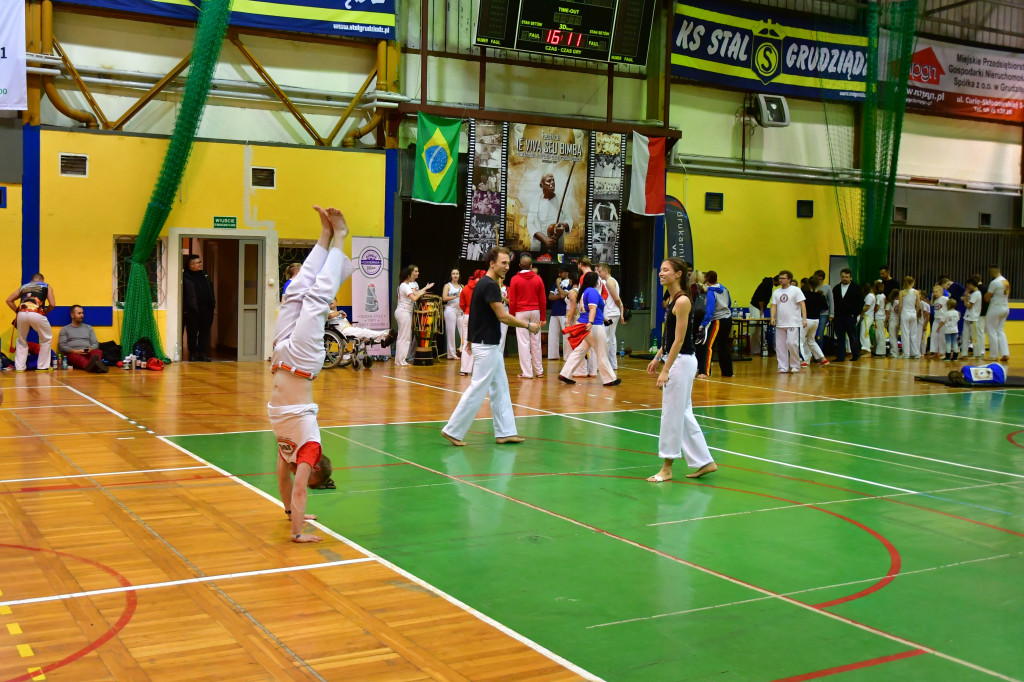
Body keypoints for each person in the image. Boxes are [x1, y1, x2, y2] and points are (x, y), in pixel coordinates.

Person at [268, 205, 352, 543]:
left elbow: (283, 480)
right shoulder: (309, 447)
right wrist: (298, 532)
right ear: (314, 466)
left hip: (280, 358)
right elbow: (299, 487)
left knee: (293, 295)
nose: (296, 473)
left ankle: (324, 235)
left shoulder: (288, 450)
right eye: (306, 474)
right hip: (302, 363)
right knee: (317, 299)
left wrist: (291, 512)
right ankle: (340, 237)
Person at [441, 247, 542, 447]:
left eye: (508, 263)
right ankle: (452, 430)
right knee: (478, 386)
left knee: (501, 388)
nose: (507, 267)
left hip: (489, 344)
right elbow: (502, 316)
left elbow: (476, 314)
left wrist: (470, 339)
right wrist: (528, 325)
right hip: (486, 346)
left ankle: (505, 432)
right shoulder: (490, 286)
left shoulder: (484, 284)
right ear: (492, 263)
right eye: (503, 263)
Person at [646, 257, 716, 483]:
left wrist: (665, 369)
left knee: (671, 416)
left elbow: (679, 339)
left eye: (665, 270)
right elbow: (669, 337)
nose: (661, 273)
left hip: (681, 362)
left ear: (678, 274)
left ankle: (667, 468)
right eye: (661, 269)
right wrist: (658, 356)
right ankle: (704, 461)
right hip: (676, 360)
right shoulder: (673, 299)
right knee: (683, 414)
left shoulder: (683, 301)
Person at [558, 271, 620, 386]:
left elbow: (591, 310)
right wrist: (591, 322)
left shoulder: (583, 292)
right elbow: (592, 309)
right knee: (602, 352)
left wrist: (605, 319)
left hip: (585, 325)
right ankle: (609, 379)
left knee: (579, 351)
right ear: (596, 282)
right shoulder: (592, 292)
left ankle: (565, 374)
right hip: (593, 326)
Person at [6, 273, 56, 371]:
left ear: (31, 280)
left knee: (21, 340)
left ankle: (19, 368)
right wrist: (45, 312)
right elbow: (52, 304)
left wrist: (18, 311)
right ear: (42, 280)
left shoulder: (24, 286)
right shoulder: (46, 286)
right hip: (37, 312)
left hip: (21, 314)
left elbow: (9, 300)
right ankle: (42, 366)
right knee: (46, 338)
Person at [507, 253, 546, 378]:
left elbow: (512, 301)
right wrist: (543, 317)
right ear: (531, 266)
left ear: (519, 265)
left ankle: (527, 373)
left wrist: (511, 316)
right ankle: (539, 371)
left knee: (523, 343)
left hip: (521, 312)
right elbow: (543, 300)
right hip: (535, 311)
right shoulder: (538, 279)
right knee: (536, 342)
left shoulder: (515, 279)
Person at [394, 265, 433, 367]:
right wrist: (421, 292)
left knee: (402, 337)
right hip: (404, 312)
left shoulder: (403, 285)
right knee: (404, 338)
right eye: (414, 273)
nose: (416, 274)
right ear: (409, 275)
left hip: (402, 312)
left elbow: (415, 294)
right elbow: (414, 298)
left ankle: (399, 360)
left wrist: (424, 289)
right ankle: (401, 361)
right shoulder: (405, 286)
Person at [697, 270, 733, 378]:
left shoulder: (710, 292)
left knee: (708, 345)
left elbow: (710, 310)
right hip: (728, 319)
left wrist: (703, 324)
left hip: (717, 320)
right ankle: (728, 372)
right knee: (723, 345)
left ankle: (705, 372)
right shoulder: (725, 289)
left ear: (707, 280)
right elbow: (729, 303)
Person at [770, 270, 806, 373]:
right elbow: (773, 305)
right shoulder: (776, 292)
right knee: (780, 345)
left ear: (789, 279)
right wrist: (772, 317)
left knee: (792, 343)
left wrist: (804, 319)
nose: (780, 280)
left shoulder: (796, 290)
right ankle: (783, 367)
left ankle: (795, 365)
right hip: (780, 322)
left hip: (793, 322)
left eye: (783, 278)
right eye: (780, 278)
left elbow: (802, 304)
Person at [528, 173, 573, 253]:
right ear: (541, 185)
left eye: (553, 180)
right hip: (539, 246)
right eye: (549, 181)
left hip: (556, 245)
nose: (552, 182)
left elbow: (569, 219)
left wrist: (563, 226)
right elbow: (530, 223)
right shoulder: (535, 201)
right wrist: (545, 239)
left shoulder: (560, 199)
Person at [183, 254, 216, 362]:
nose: (200, 264)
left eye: (200, 262)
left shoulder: (204, 275)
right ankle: (192, 353)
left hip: (207, 310)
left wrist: (212, 304)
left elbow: (210, 289)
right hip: (192, 310)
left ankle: (202, 353)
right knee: (192, 333)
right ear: (191, 265)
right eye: (198, 263)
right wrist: (187, 308)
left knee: (204, 332)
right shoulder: (186, 277)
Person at [57, 305, 108, 373]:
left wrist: (90, 349)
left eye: (82, 313)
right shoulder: (65, 329)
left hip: (88, 353)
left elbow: (95, 343)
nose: (82, 315)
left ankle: (92, 366)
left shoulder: (89, 328)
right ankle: (96, 366)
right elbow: (62, 346)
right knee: (75, 358)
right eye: (79, 313)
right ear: (72, 315)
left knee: (98, 352)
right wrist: (74, 351)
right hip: (73, 354)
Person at [596, 263, 627, 370]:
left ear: (606, 271)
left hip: (610, 313)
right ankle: (613, 364)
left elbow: (616, 298)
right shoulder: (612, 281)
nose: (599, 274)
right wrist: (621, 310)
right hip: (613, 313)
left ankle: (603, 364)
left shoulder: (609, 282)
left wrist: (621, 307)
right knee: (612, 339)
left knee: (606, 338)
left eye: (600, 271)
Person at [458, 270, 485, 376]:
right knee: (479, 343)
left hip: (467, 315)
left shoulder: (465, 288)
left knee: (466, 342)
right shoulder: (483, 287)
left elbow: (462, 304)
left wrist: (467, 310)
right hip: (479, 315)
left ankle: (464, 369)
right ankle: (478, 369)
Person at [799, 276, 829, 367]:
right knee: (811, 341)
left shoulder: (805, 294)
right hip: (816, 321)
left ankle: (803, 360)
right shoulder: (820, 295)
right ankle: (823, 359)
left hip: (805, 320)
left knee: (799, 341)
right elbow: (825, 307)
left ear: (808, 284)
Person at [831, 268, 861, 362]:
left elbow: (860, 303)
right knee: (840, 337)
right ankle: (840, 356)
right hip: (838, 317)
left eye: (846, 277)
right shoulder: (836, 288)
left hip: (850, 316)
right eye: (843, 277)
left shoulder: (856, 288)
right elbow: (833, 302)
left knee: (852, 336)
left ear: (850, 277)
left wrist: (854, 314)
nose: (844, 279)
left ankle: (855, 355)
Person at [326, 308, 395, 347]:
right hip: (342, 331)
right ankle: (385, 334)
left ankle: (384, 337)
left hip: (348, 328)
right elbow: (330, 316)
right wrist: (340, 312)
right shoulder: (328, 312)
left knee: (365, 331)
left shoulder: (339, 314)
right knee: (364, 332)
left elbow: (347, 323)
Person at [984, 265, 1010, 362]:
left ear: (992, 272)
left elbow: (987, 297)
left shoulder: (995, 282)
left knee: (991, 330)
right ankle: (1005, 353)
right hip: (1005, 307)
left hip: (996, 307)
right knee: (1000, 330)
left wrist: (986, 296)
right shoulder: (1005, 281)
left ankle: (993, 355)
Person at [547, 267, 571, 360]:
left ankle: (567, 356)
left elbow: (563, 295)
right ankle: (553, 355)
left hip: (564, 311)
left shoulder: (569, 283)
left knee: (566, 335)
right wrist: (560, 295)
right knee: (552, 335)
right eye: (559, 272)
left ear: (566, 273)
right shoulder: (557, 282)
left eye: (561, 272)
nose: (559, 274)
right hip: (555, 311)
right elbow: (550, 297)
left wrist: (558, 285)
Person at [749, 275, 776, 356]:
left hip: (759, 307)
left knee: (761, 328)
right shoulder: (767, 285)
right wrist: (761, 309)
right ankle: (755, 350)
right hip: (756, 307)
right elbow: (761, 298)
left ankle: (760, 348)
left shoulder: (768, 283)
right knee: (755, 328)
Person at [441, 268, 463, 360]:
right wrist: (456, 296)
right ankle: (451, 354)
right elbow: (444, 298)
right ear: (451, 275)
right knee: (451, 332)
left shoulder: (462, 286)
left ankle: (464, 351)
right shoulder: (448, 285)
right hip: (450, 309)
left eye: (457, 273)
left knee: (464, 331)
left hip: (460, 310)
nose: (455, 275)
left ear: (459, 275)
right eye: (453, 273)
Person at [898, 276, 922, 359]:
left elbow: (900, 305)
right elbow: (918, 305)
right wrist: (916, 312)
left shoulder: (902, 292)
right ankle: (916, 353)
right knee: (913, 334)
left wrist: (899, 315)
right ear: (912, 283)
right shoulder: (916, 292)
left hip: (905, 313)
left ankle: (906, 353)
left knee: (905, 334)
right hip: (913, 313)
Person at [961, 276, 984, 359]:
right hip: (968, 316)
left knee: (974, 337)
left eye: (968, 285)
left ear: (971, 284)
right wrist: (966, 295)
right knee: (965, 336)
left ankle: (977, 354)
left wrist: (964, 300)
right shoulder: (974, 294)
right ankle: (964, 353)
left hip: (973, 317)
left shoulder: (977, 294)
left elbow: (969, 306)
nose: (968, 287)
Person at [813, 269, 834, 346]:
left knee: (820, 334)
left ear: (823, 278)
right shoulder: (812, 287)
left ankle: (820, 351)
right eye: (817, 278)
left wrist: (831, 313)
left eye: (820, 279)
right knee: (813, 333)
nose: (819, 280)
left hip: (824, 314)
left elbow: (831, 301)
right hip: (814, 313)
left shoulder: (827, 287)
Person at [858, 281, 876, 356]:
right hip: (867, 316)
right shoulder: (871, 295)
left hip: (867, 316)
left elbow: (867, 307)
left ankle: (866, 349)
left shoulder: (869, 296)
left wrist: (859, 312)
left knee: (864, 333)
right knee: (865, 333)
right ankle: (867, 347)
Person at [871, 281, 887, 356]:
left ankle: (881, 351)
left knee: (879, 334)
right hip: (882, 315)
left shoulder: (878, 296)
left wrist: (873, 312)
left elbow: (877, 307)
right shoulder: (883, 295)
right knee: (879, 334)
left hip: (879, 316)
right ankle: (876, 350)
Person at [885, 289, 901, 358]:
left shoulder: (890, 303)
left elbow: (887, 314)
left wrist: (885, 322)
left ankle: (894, 353)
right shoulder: (900, 303)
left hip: (892, 321)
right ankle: (896, 352)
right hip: (899, 321)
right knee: (896, 337)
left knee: (892, 338)